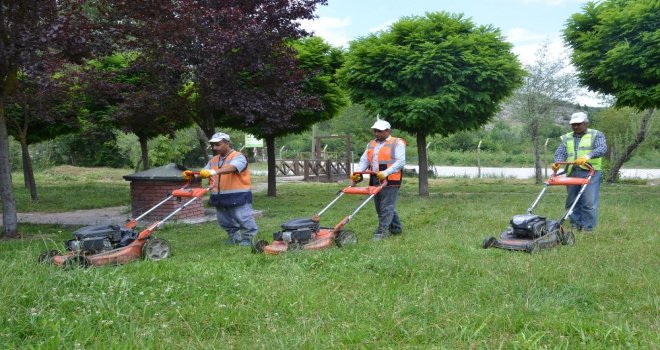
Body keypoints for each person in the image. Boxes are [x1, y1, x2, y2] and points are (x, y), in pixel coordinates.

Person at [183, 132, 258, 246]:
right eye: (213, 145)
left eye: (217, 144)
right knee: (225, 221)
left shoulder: (238, 156)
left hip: (238, 195)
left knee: (243, 218)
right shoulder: (213, 160)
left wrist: (213, 171)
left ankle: (248, 239)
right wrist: (193, 175)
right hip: (219, 196)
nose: (214, 148)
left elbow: (233, 167)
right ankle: (234, 238)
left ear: (227, 143)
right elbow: (205, 172)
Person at [552, 112, 607, 233]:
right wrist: (557, 162)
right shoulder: (567, 137)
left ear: (586, 123)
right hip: (572, 172)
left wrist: (587, 156)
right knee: (572, 200)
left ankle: (588, 228)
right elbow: (561, 152)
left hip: (590, 171)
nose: (576, 127)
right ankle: (575, 225)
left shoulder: (596, 135)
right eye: (573, 124)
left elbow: (602, 148)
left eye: (579, 124)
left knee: (588, 201)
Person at [351, 119, 406, 240]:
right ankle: (396, 229)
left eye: (380, 131)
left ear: (388, 130)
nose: (377, 133)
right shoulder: (371, 144)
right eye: (375, 131)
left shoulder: (397, 143)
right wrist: (358, 173)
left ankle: (381, 232)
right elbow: (364, 160)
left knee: (386, 207)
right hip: (375, 178)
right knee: (382, 206)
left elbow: (401, 162)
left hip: (391, 179)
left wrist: (386, 172)